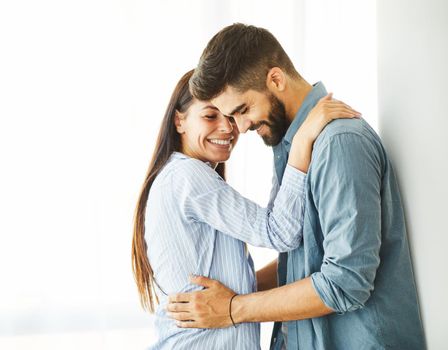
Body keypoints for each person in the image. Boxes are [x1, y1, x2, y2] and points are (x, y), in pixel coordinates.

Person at [167, 24, 426, 350]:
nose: (241, 128)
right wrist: (220, 299)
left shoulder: (339, 143)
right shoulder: (292, 148)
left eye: (243, 110)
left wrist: (235, 309)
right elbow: (305, 261)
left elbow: (346, 283)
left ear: (276, 80)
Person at [132, 69, 359, 349]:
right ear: (179, 121)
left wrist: (237, 303)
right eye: (209, 116)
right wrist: (299, 143)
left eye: (229, 116)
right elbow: (280, 232)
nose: (228, 128)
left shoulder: (179, 177)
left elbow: (236, 287)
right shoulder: (186, 176)